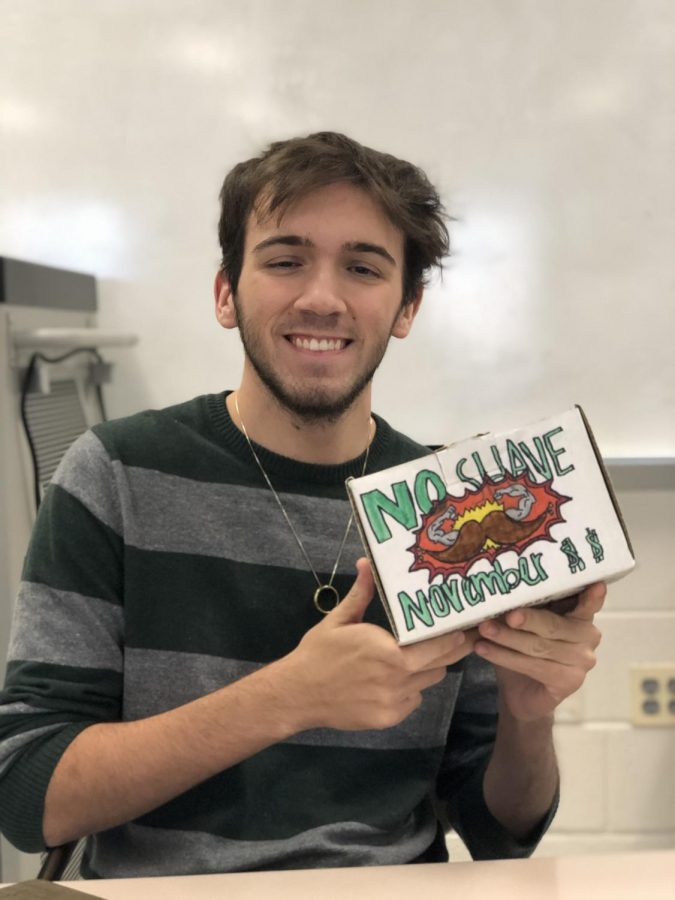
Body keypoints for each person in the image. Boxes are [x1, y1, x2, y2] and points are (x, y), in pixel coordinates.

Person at [0, 132, 604, 878]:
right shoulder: (117, 472)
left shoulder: (451, 507)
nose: (322, 297)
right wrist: (284, 698)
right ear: (227, 292)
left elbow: (499, 835)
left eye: (362, 267)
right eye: (285, 261)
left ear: (406, 306)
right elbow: (30, 794)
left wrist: (527, 712)